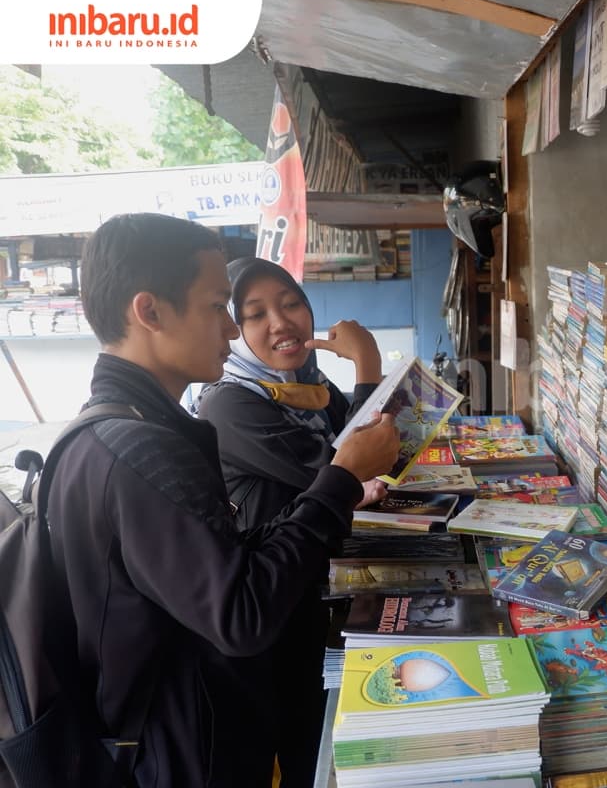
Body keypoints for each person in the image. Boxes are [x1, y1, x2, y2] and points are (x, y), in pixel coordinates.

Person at [48, 213, 400, 787]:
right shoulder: (137, 452)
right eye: (221, 307)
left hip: (198, 738)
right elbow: (240, 614)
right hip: (184, 758)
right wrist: (338, 480)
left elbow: (218, 564)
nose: (233, 330)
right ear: (151, 311)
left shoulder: (128, 432)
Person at [193, 257, 388, 787]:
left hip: (317, 587)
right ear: (233, 332)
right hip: (277, 606)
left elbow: (365, 445)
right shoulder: (229, 405)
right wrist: (368, 363)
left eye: (291, 303)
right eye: (254, 314)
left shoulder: (306, 383)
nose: (281, 322)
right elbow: (343, 465)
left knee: (327, 730)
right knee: (305, 743)